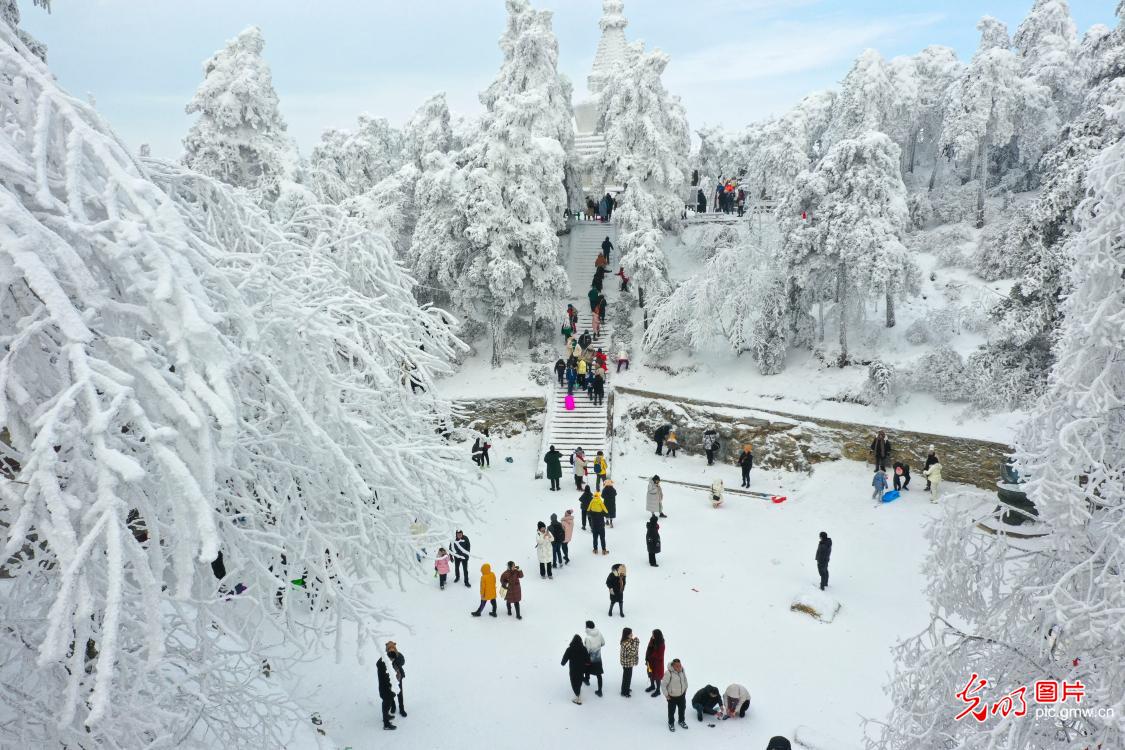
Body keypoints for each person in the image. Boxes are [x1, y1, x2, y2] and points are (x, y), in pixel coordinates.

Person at [662, 659, 690, 731]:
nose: (679, 667)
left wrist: (685, 687)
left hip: (681, 695)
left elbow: (685, 679)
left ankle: (681, 721)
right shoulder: (668, 673)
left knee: (682, 709)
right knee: (671, 711)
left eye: (680, 665)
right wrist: (666, 695)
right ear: (673, 666)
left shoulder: (682, 670)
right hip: (672, 697)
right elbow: (663, 685)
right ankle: (671, 723)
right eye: (677, 666)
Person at [562, 634, 588, 704]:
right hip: (581, 669)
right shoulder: (584, 649)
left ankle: (577, 697)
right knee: (579, 681)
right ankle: (578, 694)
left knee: (573, 682)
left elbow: (564, 660)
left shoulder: (569, 649)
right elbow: (588, 660)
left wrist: (563, 663)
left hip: (573, 669)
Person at [376, 650, 398, 730]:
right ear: (389, 658)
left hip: (385, 688)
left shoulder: (382, 662)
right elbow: (386, 678)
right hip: (385, 689)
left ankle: (386, 716)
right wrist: (391, 686)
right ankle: (386, 724)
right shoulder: (384, 665)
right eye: (392, 659)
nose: (392, 661)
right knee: (386, 705)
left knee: (387, 704)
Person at [584, 620, 606, 696]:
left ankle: (587, 680)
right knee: (599, 674)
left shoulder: (588, 637)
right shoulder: (599, 633)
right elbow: (603, 643)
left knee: (586, 668)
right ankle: (600, 690)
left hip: (590, 657)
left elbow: (587, 650)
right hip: (598, 657)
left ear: (587, 627)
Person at [386, 641, 407, 718]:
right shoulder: (385, 656)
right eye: (389, 648)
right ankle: (393, 706)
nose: (391, 650)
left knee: (400, 693)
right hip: (389, 678)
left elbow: (403, 661)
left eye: (393, 648)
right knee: (391, 693)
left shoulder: (398, 655)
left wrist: (395, 658)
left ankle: (402, 709)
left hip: (398, 677)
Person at [644, 629, 665, 697]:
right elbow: (649, 648)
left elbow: (660, 655)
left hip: (657, 663)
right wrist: (647, 657)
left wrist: (651, 656)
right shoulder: (652, 639)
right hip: (650, 661)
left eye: (653, 634)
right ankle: (652, 686)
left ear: (657, 635)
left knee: (657, 676)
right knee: (650, 673)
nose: (652, 635)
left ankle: (658, 690)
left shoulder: (661, 644)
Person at [620, 627, 640, 697]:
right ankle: (624, 692)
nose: (632, 634)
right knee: (627, 678)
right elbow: (632, 652)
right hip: (627, 663)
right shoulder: (625, 643)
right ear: (627, 635)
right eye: (630, 633)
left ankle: (626, 688)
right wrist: (636, 643)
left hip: (628, 662)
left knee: (627, 677)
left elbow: (632, 644)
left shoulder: (627, 640)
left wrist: (634, 641)